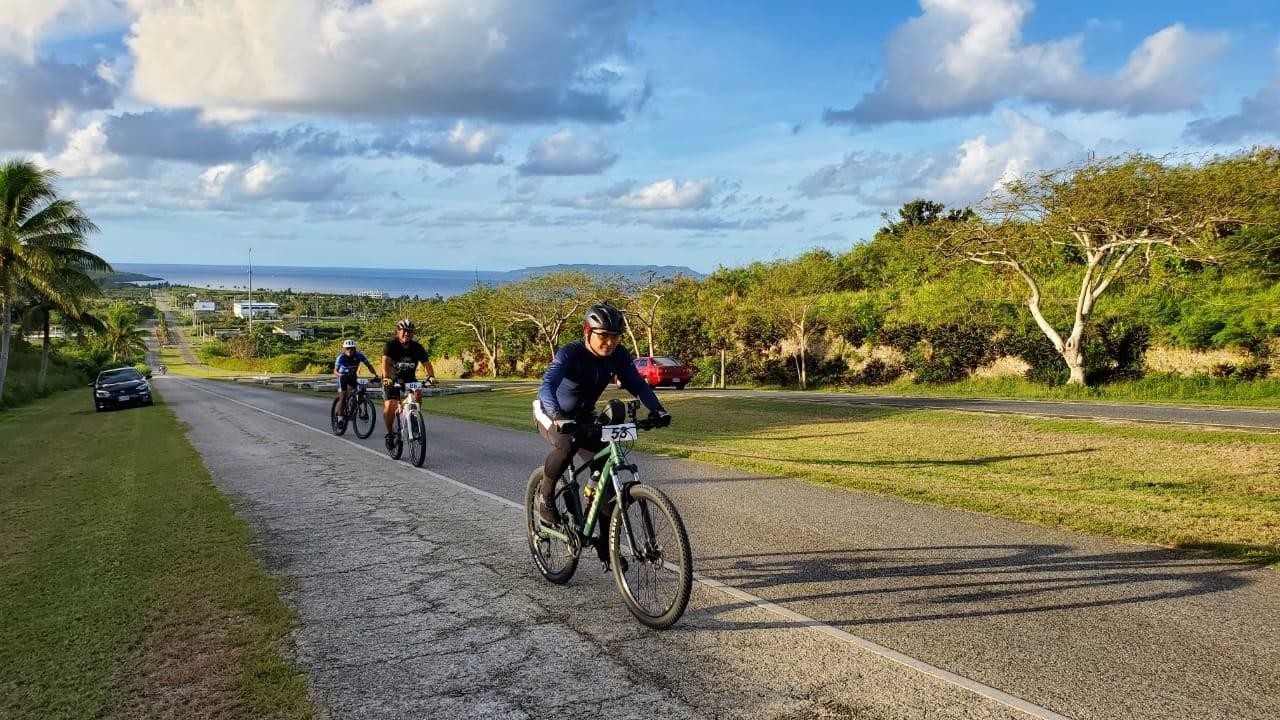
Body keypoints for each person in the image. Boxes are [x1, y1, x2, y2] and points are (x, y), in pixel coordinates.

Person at [533, 303, 670, 567]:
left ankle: (606, 546)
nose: (609, 342)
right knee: (567, 444)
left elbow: (637, 384)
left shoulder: (618, 355)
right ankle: (545, 495)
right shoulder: (570, 353)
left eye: (614, 337)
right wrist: (559, 416)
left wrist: (658, 410)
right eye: (602, 336)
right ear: (587, 331)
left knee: (608, 478)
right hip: (550, 411)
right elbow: (547, 386)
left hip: (584, 415)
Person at [381, 319, 437, 449]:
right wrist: (387, 377)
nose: (407, 334)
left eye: (410, 332)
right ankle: (390, 434)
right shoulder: (391, 345)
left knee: (417, 392)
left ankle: (415, 419)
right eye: (404, 331)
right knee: (390, 405)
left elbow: (426, 364)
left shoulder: (417, 347)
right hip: (392, 379)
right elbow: (385, 363)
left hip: (409, 379)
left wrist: (431, 376)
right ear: (398, 332)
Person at [334, 339, 377, 423]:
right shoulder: (341, 357)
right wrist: (340, 375)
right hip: (343, 377)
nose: (349, 350)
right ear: (344, 349)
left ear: (355, 349)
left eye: (352, 348)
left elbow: (369, 366)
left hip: (353, 377)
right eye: (347, 349)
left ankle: (354, 404)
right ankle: (340, 418)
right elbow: (335, 371)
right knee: (343, 397)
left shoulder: (359, 355)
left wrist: (375, 375)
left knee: (362, 391)